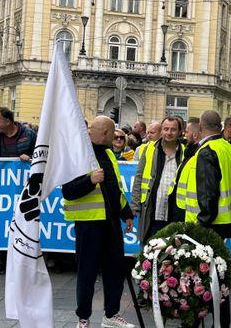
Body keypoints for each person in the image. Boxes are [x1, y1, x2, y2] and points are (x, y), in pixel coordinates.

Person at [62, 116, 134, 328]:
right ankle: (83, 319)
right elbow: (68, 191)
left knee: (115, 271)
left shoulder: (109, 153)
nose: (116, 137)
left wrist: (126, 213)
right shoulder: (77, 153)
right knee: (87, 273)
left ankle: (111, 315)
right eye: (113, 133)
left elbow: (114, 189)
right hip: (89, 224)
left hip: (111, 223)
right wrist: (89, 180)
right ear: (104, 133)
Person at [178, 110, 231, 328]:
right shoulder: (228, 149)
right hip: (222, 222)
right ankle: (222, 322)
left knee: (199, 280)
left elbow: (208, 193)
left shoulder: (207, 151)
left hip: (205, 226)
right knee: (218, 278)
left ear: (201, 127)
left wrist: (200, 226)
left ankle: (195, 322)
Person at [0, 107, 37, 275]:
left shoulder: (28, 135)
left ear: (8, 121)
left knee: (23, 223)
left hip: (24, 188)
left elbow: (40, 155)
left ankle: (24, 261)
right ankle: (4, 261)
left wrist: (29, 157)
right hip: (2, 189)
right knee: (3, 223)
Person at [131, 117, 184, 244]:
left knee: (172, 256)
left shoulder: (185, 152)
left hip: (175, 213)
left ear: (180, 132)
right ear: (161, 131)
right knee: (148, 253)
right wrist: (135, 204)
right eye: (166, 129)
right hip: (151, 210)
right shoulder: (149, 149)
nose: (169, 133)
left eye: (173, 129)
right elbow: (139, 177)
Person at [170, 117, 201, 222]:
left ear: (195, 135)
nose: (185, 135)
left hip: (189, 212)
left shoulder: (198, 155)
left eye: (187, 132)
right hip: (181, 208)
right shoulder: (189, 152)